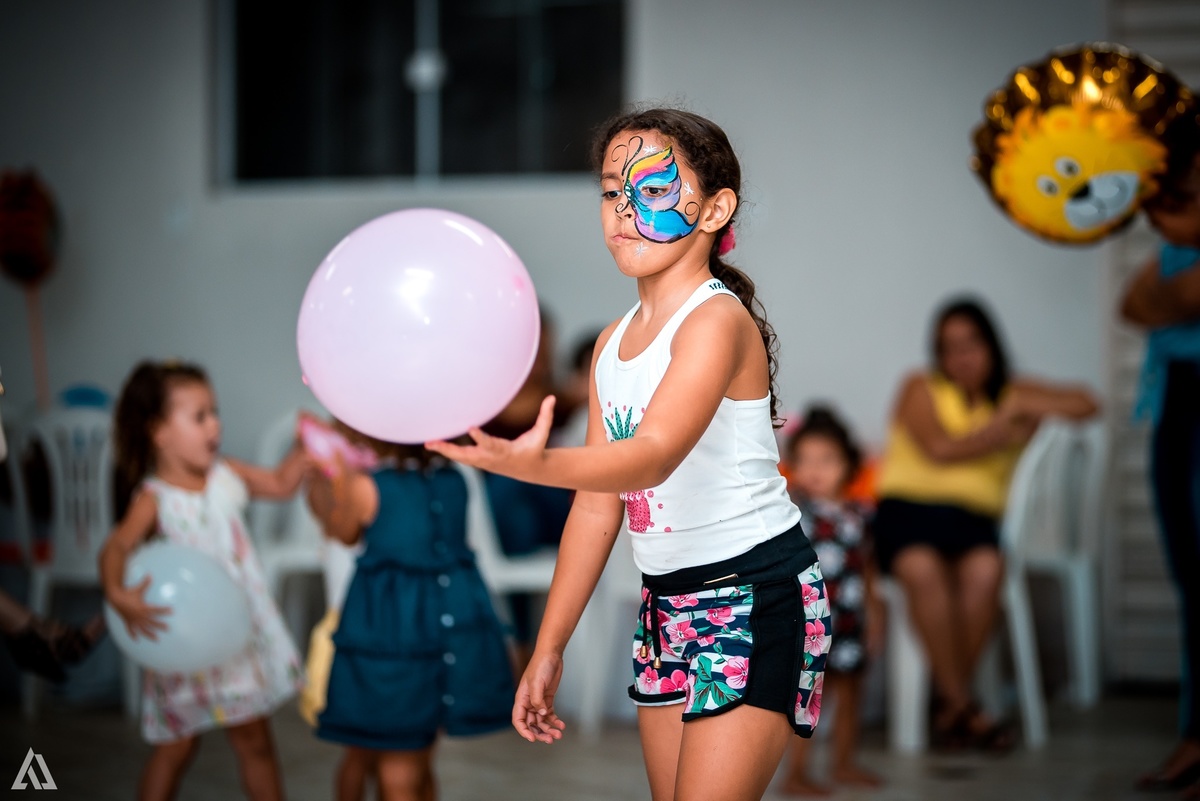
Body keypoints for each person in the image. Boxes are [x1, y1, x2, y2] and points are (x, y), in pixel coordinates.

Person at [427, 107, 829, 801]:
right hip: (666, 606)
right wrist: (549, 646)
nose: (621, 210)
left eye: (650, 188)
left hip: (757, 596)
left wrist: (532, 462)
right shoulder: (612, 343)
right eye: (612, 191)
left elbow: (651, 457)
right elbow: (596, 505)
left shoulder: (716, 321)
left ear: (715, 208)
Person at [872, 298, 1098, 750]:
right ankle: (962, 705)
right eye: (950, 347)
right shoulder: (921, 386)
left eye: (972, 343)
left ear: (991, 346)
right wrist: (999, 431)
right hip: (908, 511)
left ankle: (952, 706)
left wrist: (1018, 404)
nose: (962, 356)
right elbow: (939, 449)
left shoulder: (1011, 392)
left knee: (988, 570)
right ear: (938, 353)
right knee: (922, 570)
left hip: (973, 520)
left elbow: (1087, 403)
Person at [99, 361, 307, 801]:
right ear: (159, 432)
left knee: (256, 744)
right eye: (199, 416)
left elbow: (281, 483)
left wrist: (306, 447)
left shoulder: (224, 474)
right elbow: (115, 548)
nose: (215, 424)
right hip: (186, 650)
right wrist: (117, 593)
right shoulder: (154, 498)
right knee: (176, 748)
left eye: (215, 412)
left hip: (236, 645)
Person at [305, 420, 514, 801]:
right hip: (448, 628)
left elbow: (342, 531)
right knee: (420, 759)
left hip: (392, 637)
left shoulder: (367, 485)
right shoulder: (455, 480)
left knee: (396, 770)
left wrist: (326, 481)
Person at [1119, 129, 1200, 793]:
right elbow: (1132, 303)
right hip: (1179, 408)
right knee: (1192, 585)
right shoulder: (1178, 244)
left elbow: (1172, 300)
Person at [781, 406, 882, 796]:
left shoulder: (860, 515)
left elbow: (868, 569)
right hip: (809, 622)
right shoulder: (793, 514)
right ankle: (796, 772)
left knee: (851, 691)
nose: (815, 469)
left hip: (850, 619)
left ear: (850, 463)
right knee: (805, 697)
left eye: (827, 460)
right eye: (804, 460)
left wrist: (876, 613)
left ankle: (843, 763)